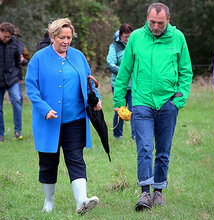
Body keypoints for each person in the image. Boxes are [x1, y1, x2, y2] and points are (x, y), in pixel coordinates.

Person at [113, 3, 193, 210]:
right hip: (141, 102)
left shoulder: (178, 38)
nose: (155, 26)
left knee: (163, 150)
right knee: (145, 147)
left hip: (168, 102)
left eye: (160, 23)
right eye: (152, 22)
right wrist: (119, 101)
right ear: (146, 19)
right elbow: (125, 71)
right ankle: (145, 194)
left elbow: (186, 72)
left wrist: (178, 101)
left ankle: (159, 192)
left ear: (168, 20)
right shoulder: (137, 38)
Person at [25, 18, 101, 214]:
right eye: (61, 37)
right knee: (48, 162)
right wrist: (44, 109)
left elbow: (88, 82)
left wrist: (96, 99)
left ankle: (81, 202)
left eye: (68, 37)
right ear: (52, 37)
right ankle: (48, 202)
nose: (66, 41)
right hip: (48, 121)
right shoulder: (39, 59)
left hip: (75, 120)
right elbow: (31, 88)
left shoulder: (78, 56)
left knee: (76, 159)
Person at [107, 23, 135, 140]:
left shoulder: (136, 45)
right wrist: (124, 72)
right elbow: (110, 64)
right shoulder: (114, 47)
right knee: (120, 110)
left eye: (130, 37)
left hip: (134, 85)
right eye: (125, 37)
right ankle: (117, 135)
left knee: (135, 110)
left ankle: (136, 136)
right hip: (119, 85)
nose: (127, 40)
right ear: (120, 36)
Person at [0, 22, 23, 141]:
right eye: (5, 36)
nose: (7, 39)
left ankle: (18, 131)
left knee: (17, 101)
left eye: (9, 37)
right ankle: (0, 134)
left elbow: (18, 62)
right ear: (0, 32)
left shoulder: (14, 43)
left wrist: (20, 77)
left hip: (12, 78)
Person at [13, 26, 30, 105]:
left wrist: (23, 60)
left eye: (15, 35)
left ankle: (18, 117)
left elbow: (27, 60)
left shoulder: (22, 46)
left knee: (19, 98)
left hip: (17, 75)